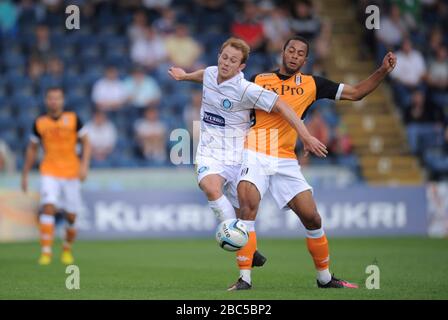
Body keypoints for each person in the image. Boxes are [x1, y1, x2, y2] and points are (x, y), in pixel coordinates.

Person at [235, 35, 397, 290]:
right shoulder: (258, 80)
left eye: (300, 53)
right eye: (291, 50)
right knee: (248, 207)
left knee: (312, 218)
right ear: (283, 52)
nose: (294, 56)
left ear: (305, 60)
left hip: (286, 159)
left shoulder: (313, 84)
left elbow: (356, 93)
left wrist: (382, 71)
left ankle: (324, 278)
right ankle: (245, 279)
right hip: (254, 152)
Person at [168, 37, 327, 289]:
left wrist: (305, 136)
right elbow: (204, 75)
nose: (226, 63)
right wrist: (184, 75)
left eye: (233, 60)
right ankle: (239, 247)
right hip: (210, 153)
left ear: (241, 67)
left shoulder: (247, 90)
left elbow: (283, 106)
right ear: (218, 55)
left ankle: (247, 250)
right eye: (224, 57)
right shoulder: (211, 72)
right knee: (210, 187)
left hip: (239, 153)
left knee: (244, 214)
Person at [21, 87, 91, 266]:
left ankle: (67, 248)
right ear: (46, 100)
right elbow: (32, 148)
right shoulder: (40, 122)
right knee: (48, 206)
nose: (54, 101)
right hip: (49, 171)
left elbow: (86, 142)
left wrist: (84, 166)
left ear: (62, 100)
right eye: (51, 98)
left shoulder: (73, 119)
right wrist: (25, 173)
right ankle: (46, 252)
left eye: (57, 98)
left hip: (71, 172)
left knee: (71, 216)